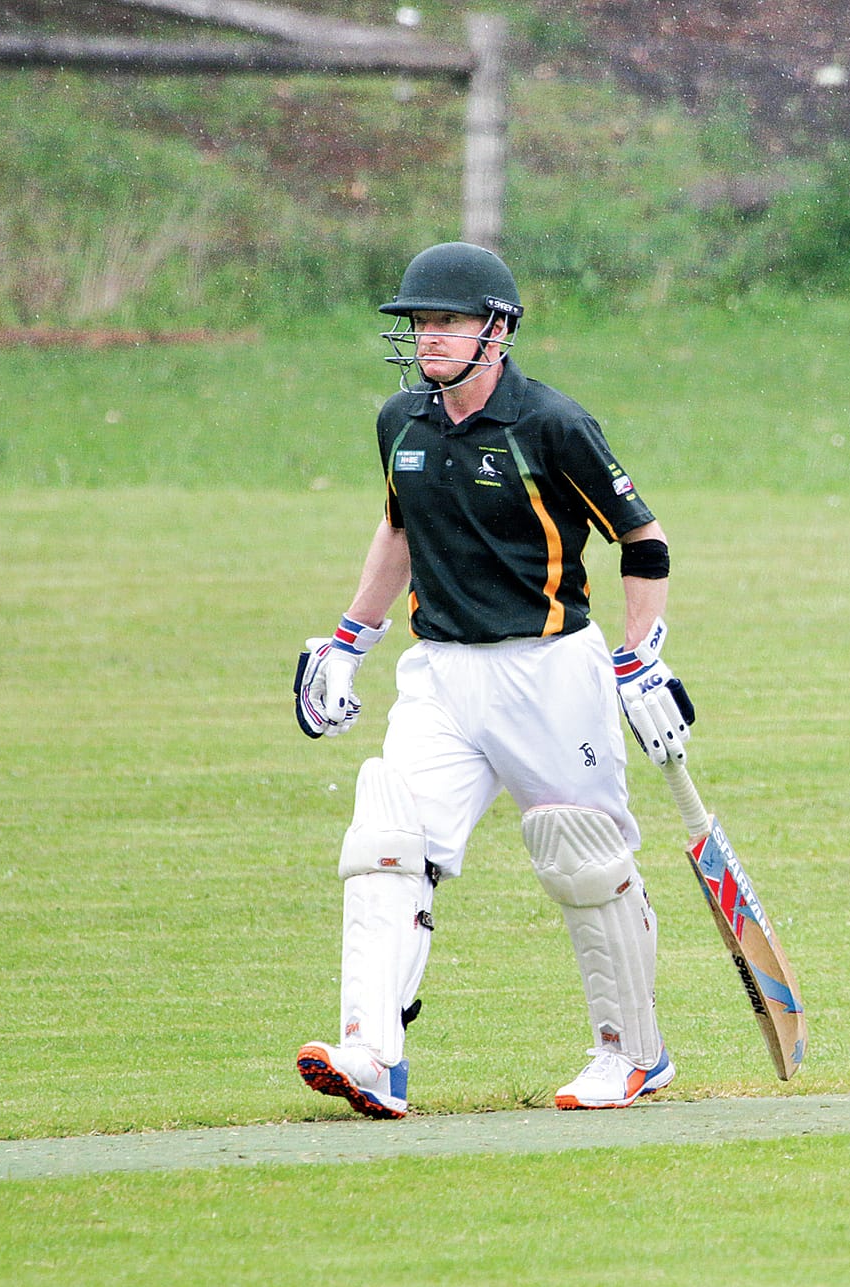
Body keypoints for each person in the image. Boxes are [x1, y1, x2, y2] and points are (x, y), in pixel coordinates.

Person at [290, 241, 695, 1118]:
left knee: (581, 855)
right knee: (386, 840)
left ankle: (633, 1053)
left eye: (446, 320)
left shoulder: (550, 424)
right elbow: (399, 531)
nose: (427, 337)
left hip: (551, 670)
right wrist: (350, 637)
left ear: (497, 329)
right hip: (439, 674)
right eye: (417, 322)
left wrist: (640, 653)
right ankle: (369, 1052)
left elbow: (644, 539)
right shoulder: (400, 421)